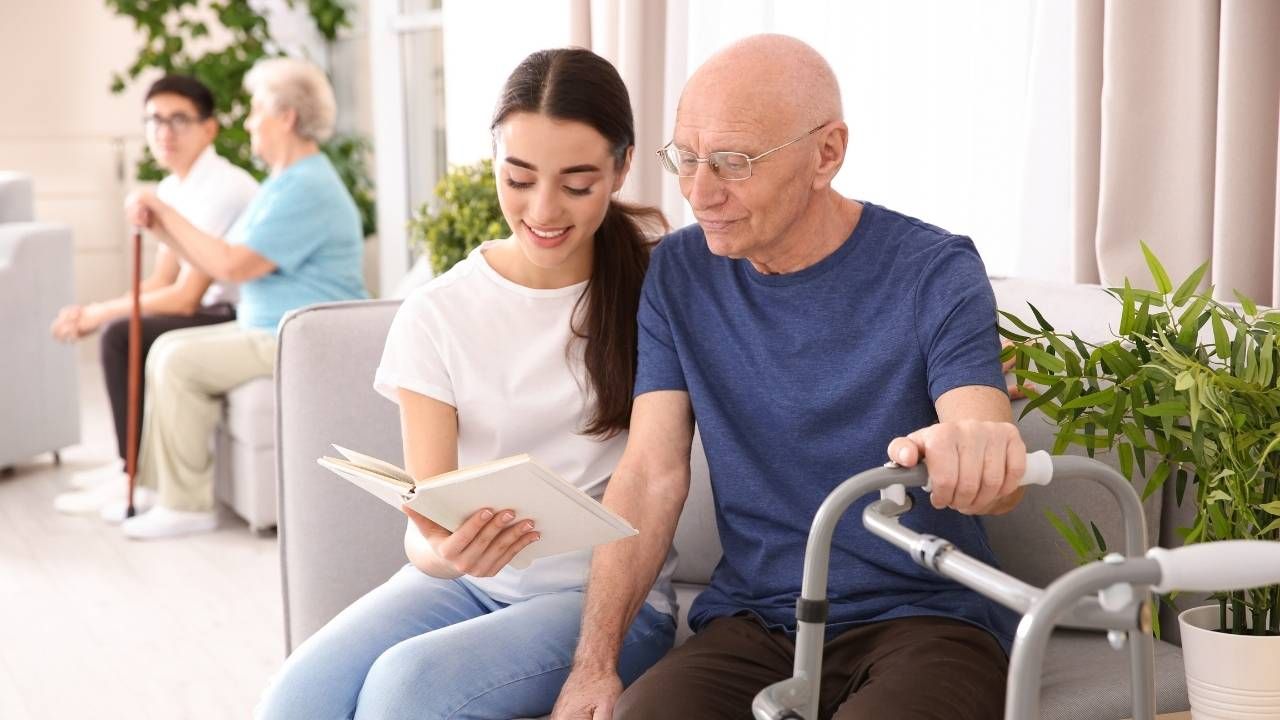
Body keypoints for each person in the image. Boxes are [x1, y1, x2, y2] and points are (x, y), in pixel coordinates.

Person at [552, 34, 1028, 720]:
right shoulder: (679, 276)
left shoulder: (934, 269)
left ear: (826, 154)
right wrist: (592, 669)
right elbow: (651, 475)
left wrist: (980, 452)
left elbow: (983, 435)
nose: (699, 192)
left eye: (735, 163)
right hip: (759, 622)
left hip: (926, 622)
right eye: (686, 159)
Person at [255, 48, 677, 720]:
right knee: (292, 702)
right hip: (474, 586)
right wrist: (447, 553)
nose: (543, 210)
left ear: (621, 168)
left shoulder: (659, 289)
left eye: (577, 184)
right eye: (518, 178)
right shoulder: (439, 312)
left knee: (406, 690)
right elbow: (424, 523)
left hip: (606, 603)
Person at [115, 57, 367, 539]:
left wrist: (165, 210)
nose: (249, 122)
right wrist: (162, 227)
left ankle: (187, 506)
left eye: (256, 111)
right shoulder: (283, 182)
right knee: (166, 349)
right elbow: (217, 258)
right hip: (269, 326)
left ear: (287, 117)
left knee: (177, 360)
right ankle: (158, 489)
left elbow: (232, 265)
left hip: (298, 335)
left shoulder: (308, 188)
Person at [51, 75, 258, 517]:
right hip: (203, 307)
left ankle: (136, 477)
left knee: (119, 335)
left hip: (232, 312)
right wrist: (94, 309)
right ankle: (130, 466)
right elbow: (161, 281)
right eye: (155, 120)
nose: (165, 132)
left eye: (179, 119)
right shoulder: (172, 187)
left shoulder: (224, 188)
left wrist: (101, 315)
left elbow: (185, 297)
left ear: (209, 128)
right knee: (119, 326)